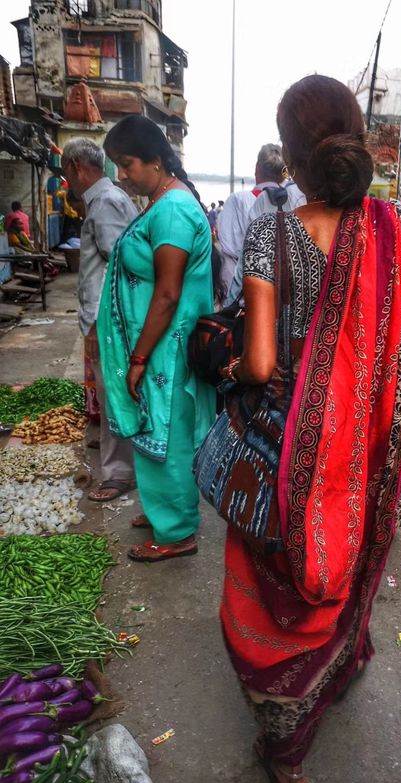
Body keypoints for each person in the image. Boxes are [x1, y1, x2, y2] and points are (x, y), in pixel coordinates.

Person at [216, 74, 401, 783]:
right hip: (366, 449)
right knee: (342, 568)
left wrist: (226, 361)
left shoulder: (272, 231)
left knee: (268, 594)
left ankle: (285, 749)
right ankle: (335, 670)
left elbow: (257, 363)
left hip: (290, 452)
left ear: (289, 154)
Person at [96, 115, 216, 562]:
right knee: (155, 431)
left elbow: (167, 293)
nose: (121, 175)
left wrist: (140, 355)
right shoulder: (164, 202)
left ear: (156, 160)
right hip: (160, 348)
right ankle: (161, 507)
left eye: (126, 165)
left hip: (166, 350)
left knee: (167, 434)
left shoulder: (173, 210)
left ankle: (178, 531)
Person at [62, 137, 138, 501]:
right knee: (112, 394)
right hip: (107, 320)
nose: (67, 182)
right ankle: (118, 462)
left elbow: (116, 267)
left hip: (107, 322)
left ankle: (119, 472)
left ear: (77, 168)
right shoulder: (106, 200)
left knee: (114, 395)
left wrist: (96, 325)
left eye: (66, 173)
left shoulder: (105, 201)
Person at [217, 144, 285, 299]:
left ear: (257, 168)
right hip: (283, 294)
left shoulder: (238, 200)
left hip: (246, 291)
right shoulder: (295, 200)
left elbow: (229, 252)